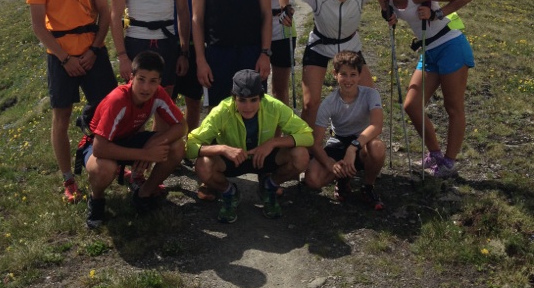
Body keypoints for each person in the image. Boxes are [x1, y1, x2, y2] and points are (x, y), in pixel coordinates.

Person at [27, 0, 117, 203]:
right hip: (60, 55)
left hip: (92, 49)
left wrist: (94, 49)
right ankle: (68, 179)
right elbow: (39, 27)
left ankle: (117, 164)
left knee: (109, 110)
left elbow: (105, 12)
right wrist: (66, 59)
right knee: (61, 117)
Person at [374, 0, 474, 178]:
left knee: (453, 106)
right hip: (428, 50)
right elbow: (384, 4)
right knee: (411, 104)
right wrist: (386, 14)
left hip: (451, 45)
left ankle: (449, 162)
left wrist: (436, 13)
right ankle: (435, 155)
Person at [185, 69, 313, 222]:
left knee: (301, 155)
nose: (248, 106)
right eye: (242, 100)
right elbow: (190, 146)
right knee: (202, 165)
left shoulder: (274, 106)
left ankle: (270, 186)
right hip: (233, 160)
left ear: (262, 97)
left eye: (253, 100)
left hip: (263, 158)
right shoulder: (222, 110)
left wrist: (272, 143)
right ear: (234, 98)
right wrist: (223, 149)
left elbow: (307, 135)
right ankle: (229, 192)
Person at [278, 0, 386, 129]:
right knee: (310, 103)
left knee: (369, 96)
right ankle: (307, 148)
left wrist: (385, 8)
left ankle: (363, 144)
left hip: (350, 48)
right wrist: (284, 7)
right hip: (320, 46)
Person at [82, 51, 186, 228]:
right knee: (105, 167)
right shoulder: (117, 100)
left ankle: (144, 193)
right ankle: (96, 199)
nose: (146, 88)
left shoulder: (158, 94)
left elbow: (181, 126)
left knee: (176, 146)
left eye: (153, 81)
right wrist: (145, 154)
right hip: (97, 145)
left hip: (130, 140)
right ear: (131, 77)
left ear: (160, 81)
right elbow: (100, 148)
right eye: (141, 79)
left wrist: (156, 143)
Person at [305, 51, 386, 209]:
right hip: (339, 141)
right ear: (335, 74)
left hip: (361, 142)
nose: (348, 80)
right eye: (343, 74)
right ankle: (342, 178)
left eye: (353, 74)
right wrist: (330, 165)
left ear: (360, 75)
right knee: (312, 179)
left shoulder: (371, 94)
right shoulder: (328, 103)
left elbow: (376, 125)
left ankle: (368, 186)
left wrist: (353, 147)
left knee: (377, 147)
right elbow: (316, 143)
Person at [165, 0, 203, 132]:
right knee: (163, 102)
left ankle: (188, 145)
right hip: (166, 42)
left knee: (193, 100)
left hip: (193, 43)